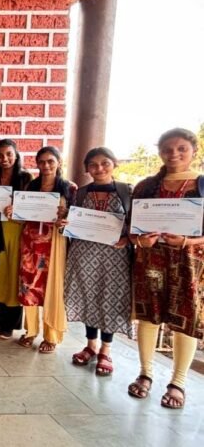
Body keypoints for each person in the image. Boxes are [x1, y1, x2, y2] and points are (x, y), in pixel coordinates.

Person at [128, 128, 204, 409]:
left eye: (181, 148)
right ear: (159, 152)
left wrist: (187, 241)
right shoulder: (145, 186)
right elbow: (130, 228)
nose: (174, 154)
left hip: (189, 263)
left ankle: (178, 382)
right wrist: (140, 240)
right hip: (151, 259)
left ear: (194, 150)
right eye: (167, 149)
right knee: (148, 316)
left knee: (185, 319)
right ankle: (145, 373)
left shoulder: (201, 184)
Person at [63, 147, 132, 376]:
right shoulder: (80, 193)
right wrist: (64, 223)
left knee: (109, 298)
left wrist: (127, 238)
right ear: (87, 169)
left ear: (114, 164)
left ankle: (106, 350)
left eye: (105, 163)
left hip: (115, 256)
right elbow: (71, 219)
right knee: (89, 296)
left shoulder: (127, 191)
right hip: (84, 254)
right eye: (93, 164)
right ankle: (91, 346)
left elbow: (136, 223)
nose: (99, 168)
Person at [8, 146, 75, 354]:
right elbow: (22, 217)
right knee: (28, 286)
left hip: (53, 244)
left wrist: (66, 216)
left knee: (51, 288)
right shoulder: (31, 187)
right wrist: (12, 213)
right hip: (30, 243)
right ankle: (30, 331)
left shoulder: (70, 189)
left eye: (50, 161)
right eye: (42, 162)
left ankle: (51, 335)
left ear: (59, 162)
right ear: (37, 164)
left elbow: (76, 219)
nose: (46, 165)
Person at [0, 139, 32, 339]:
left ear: (16, 155)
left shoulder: (26, 179)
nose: (5, 158)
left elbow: (32, 206)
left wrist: (16, 209)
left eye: (9, 154)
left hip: (17, 231)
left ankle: (10, 324)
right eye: (0, 155)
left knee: (12, 277)